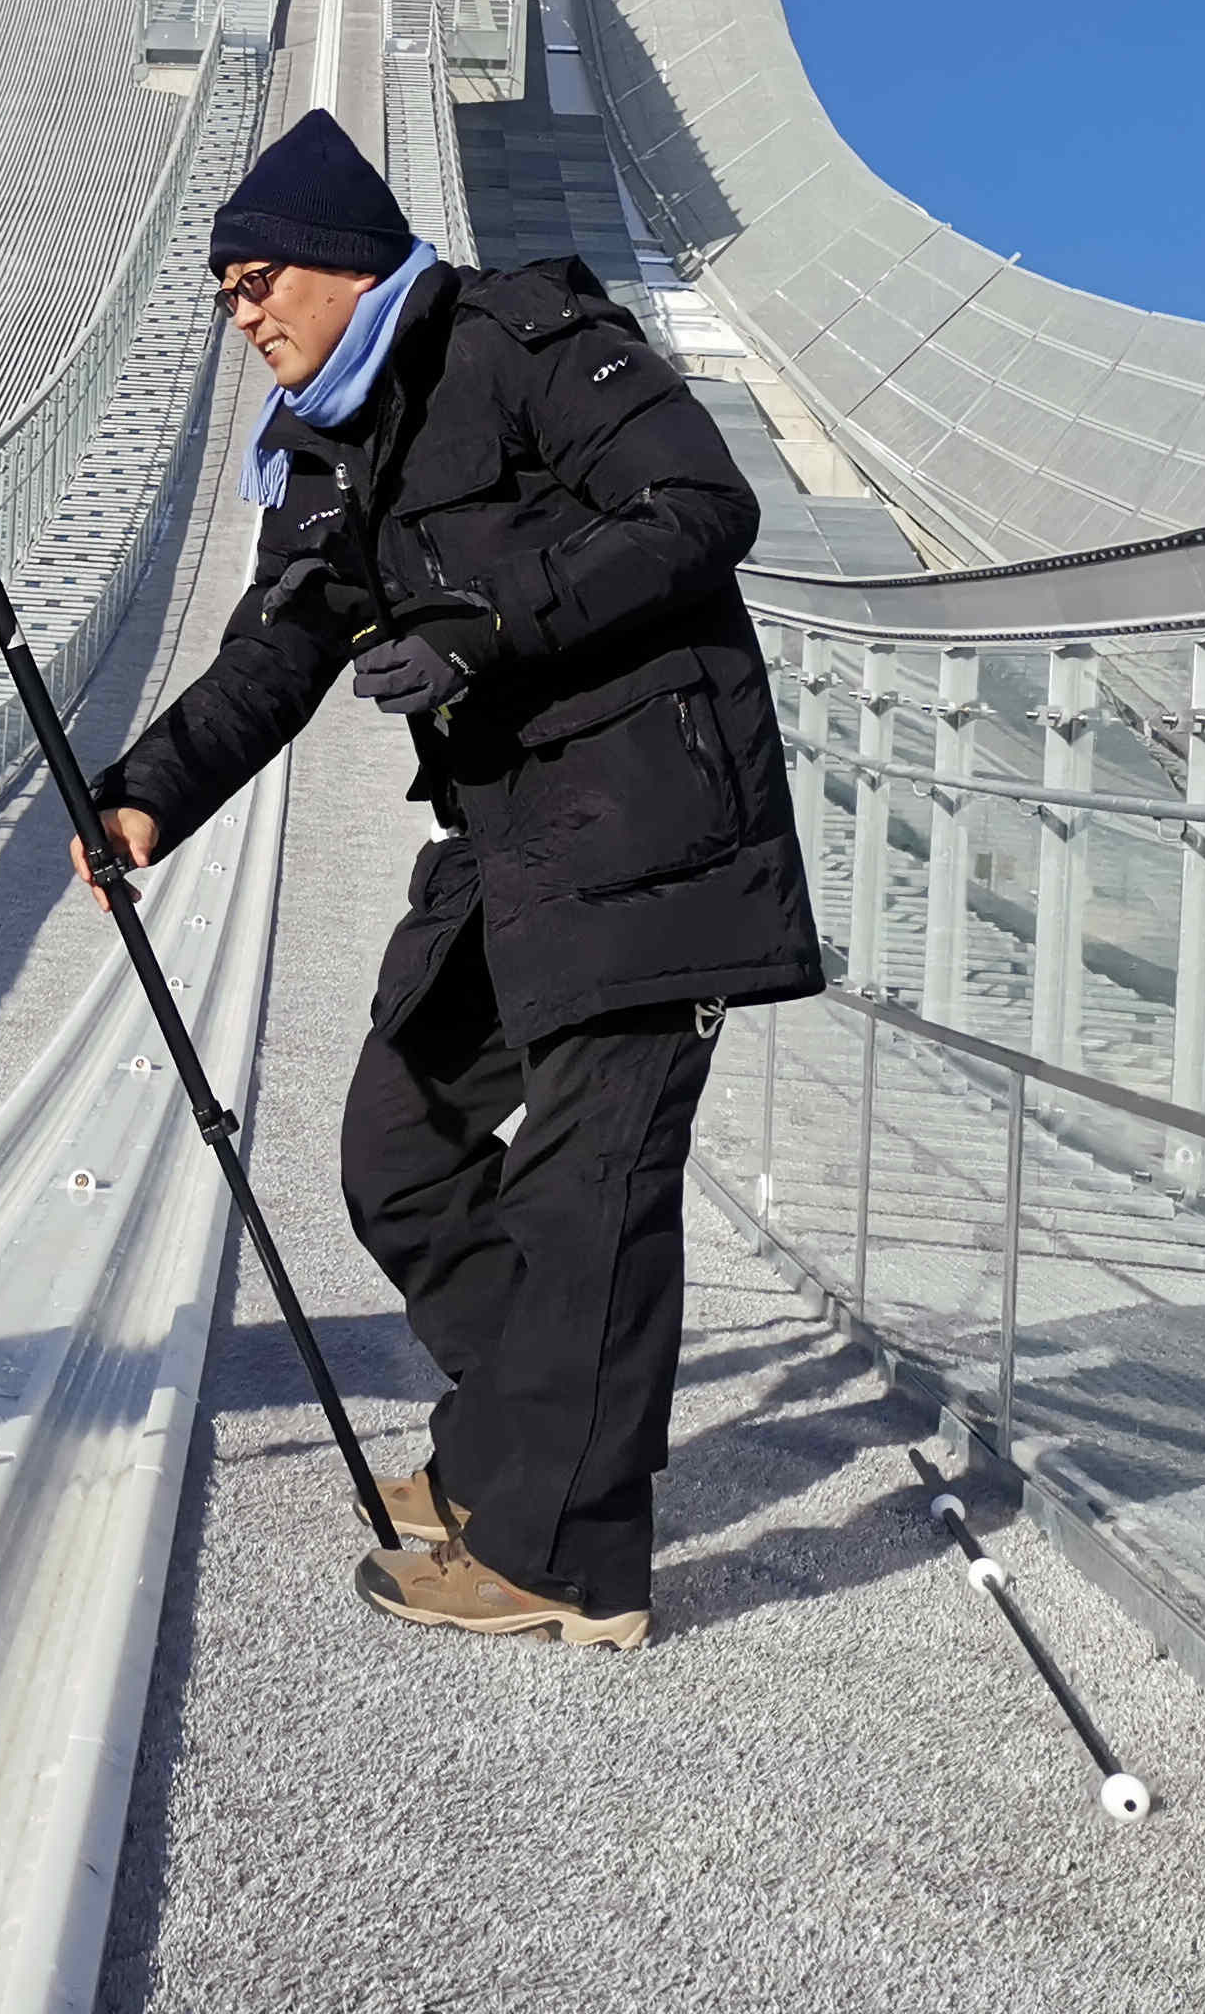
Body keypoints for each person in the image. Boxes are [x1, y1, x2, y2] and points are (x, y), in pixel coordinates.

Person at [79, 110, 818, 1647]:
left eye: (259, 277)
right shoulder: (332, 451)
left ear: (351, 265)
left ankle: (565, 1552)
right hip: (508, 848)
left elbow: (701, 510)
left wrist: (491, 620)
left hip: (651, 822)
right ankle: (524, 1448)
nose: (243, 311)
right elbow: (277, 649)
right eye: (224, 292)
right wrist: (149, 793)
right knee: (396, 1149)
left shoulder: (530, 338)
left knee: (589, 1190)